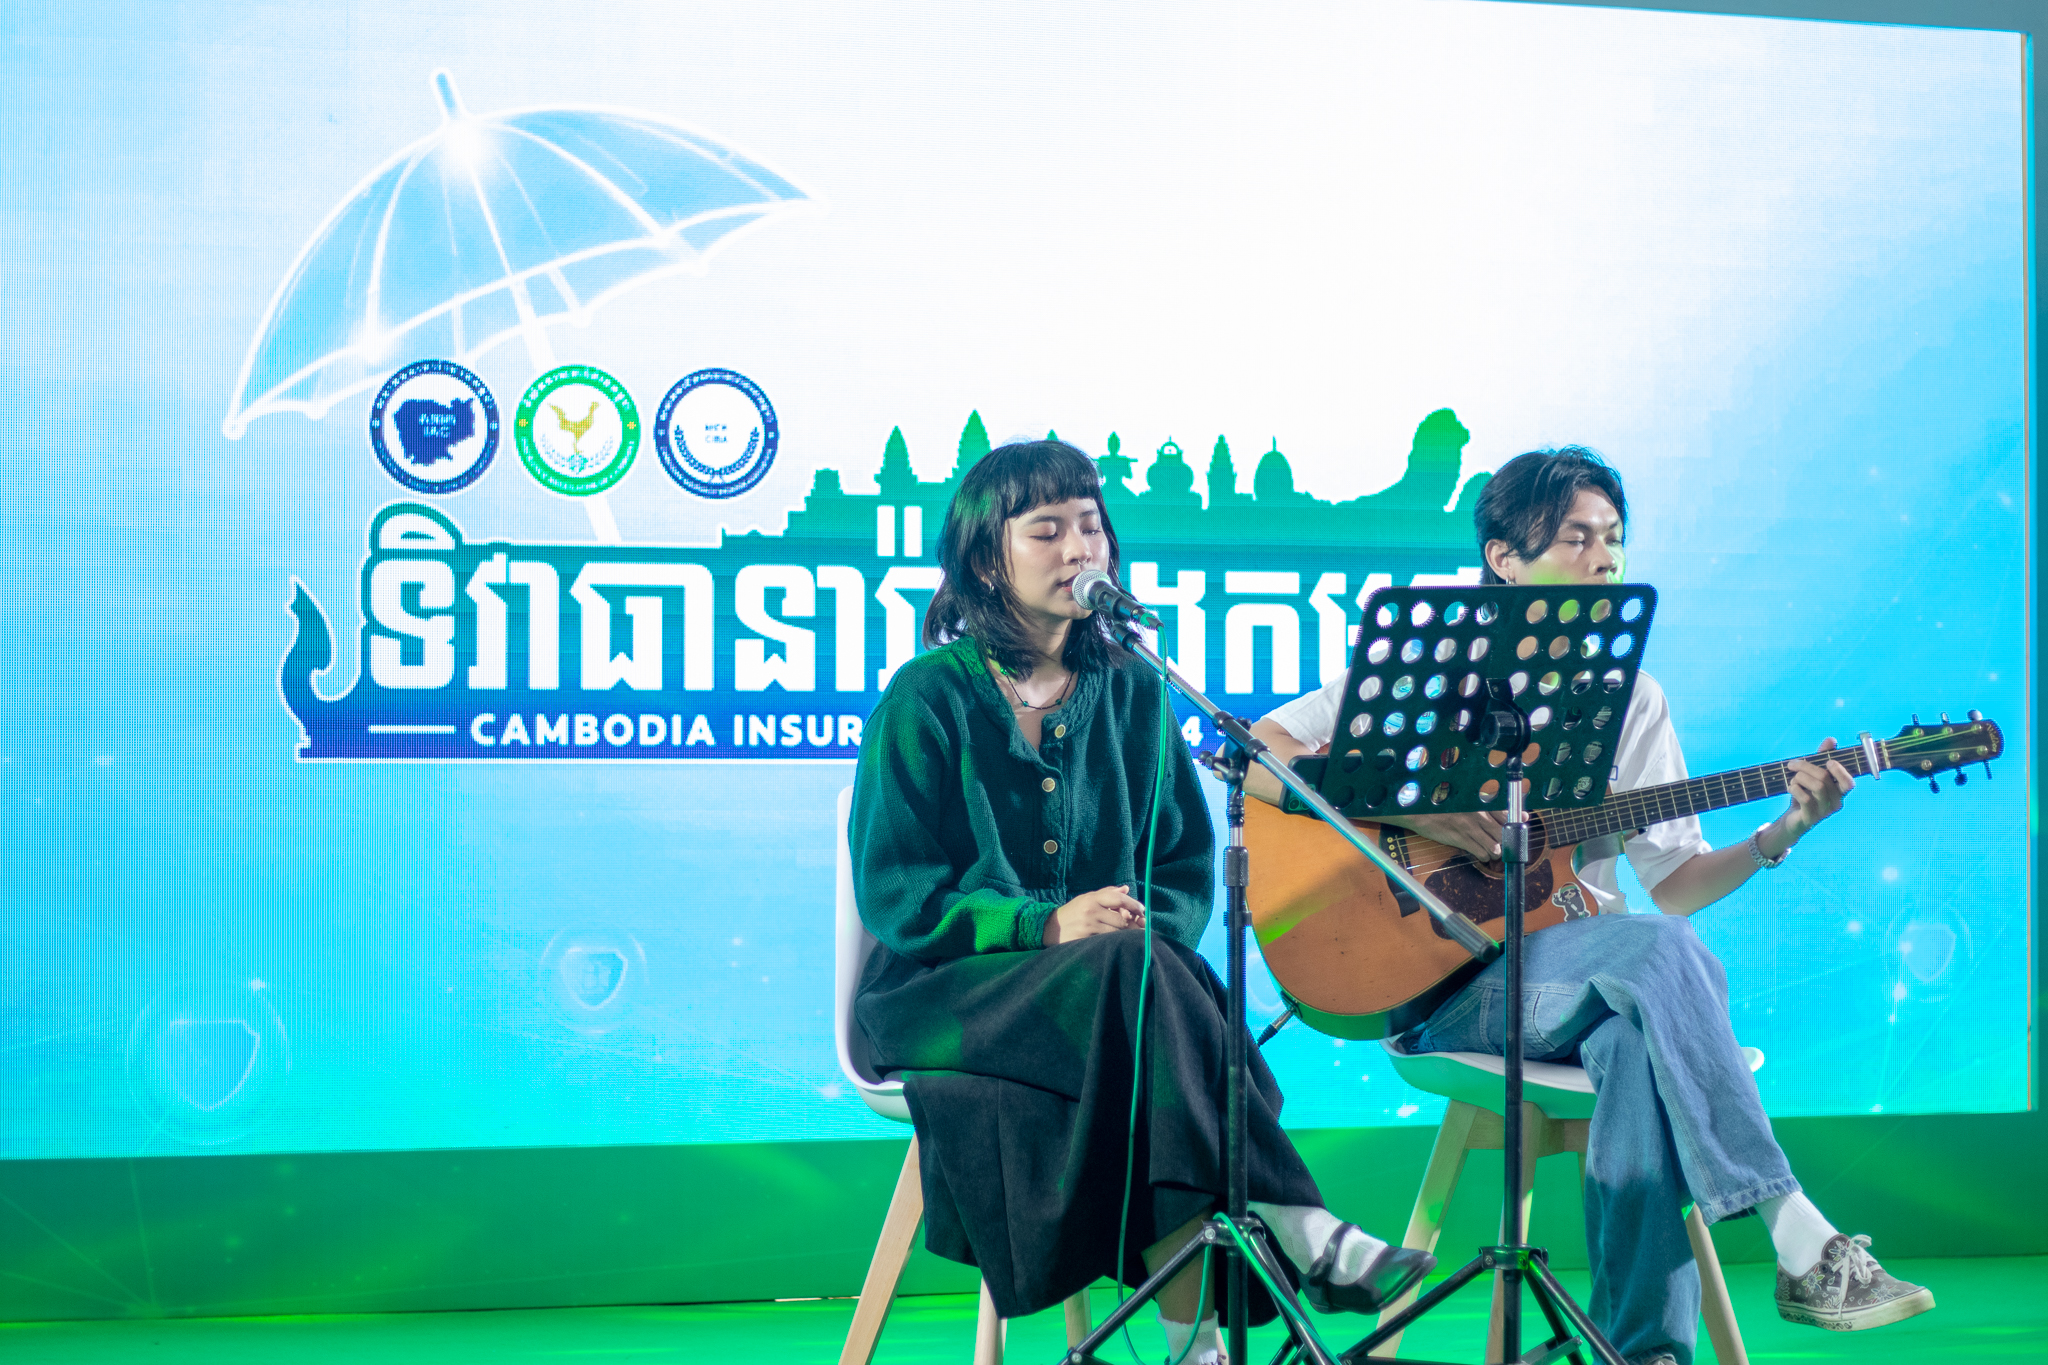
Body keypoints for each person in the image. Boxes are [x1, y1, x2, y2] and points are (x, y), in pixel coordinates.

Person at [1246, 446, 1933, 1365]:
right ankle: (1797, 1232)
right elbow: (1257, 751)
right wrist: (1419, 810)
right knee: (1654, 957)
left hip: (1580, 979)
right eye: (1577, 538)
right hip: (1444, 985)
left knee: (1635, 1037)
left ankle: (1645, 1350)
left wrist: (1784, 832)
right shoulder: (1429, 671)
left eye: (1614, 539)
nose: (1605, 559)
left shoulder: (1630, 699)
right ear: (1504, 558)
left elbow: (1677, 885)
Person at [852, 439, 1428, 1365]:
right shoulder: (925, 697)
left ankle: (1198, 1348)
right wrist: (1045, 924)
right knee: (1144, 988)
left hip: (1116, 994)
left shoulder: (1133, 686)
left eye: (1090, 526)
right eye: (1047, 529)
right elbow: (899, 894)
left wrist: (1123, 928)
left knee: (1144, 993)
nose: (1079, 547)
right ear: (986, 559)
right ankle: (1297, 1223)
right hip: (950, 996)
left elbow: (1185, 869)